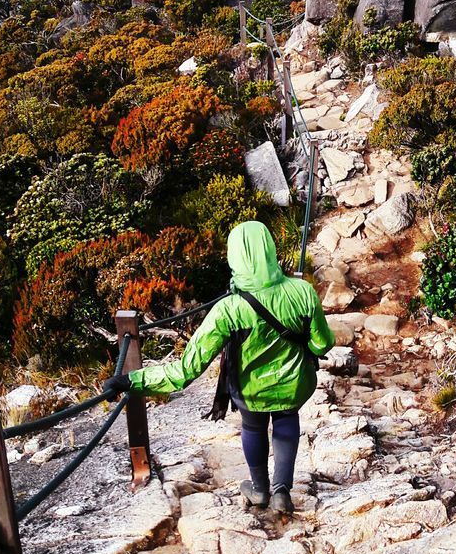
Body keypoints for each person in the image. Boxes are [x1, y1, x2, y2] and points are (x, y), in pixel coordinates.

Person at [103, 220, 335, 515]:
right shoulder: (302, 292)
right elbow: (321, 344)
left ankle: (260, 489)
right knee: (286, 420)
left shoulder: (228, 309)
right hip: (293, 384)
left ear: (234, 256)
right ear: (270, 249)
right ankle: (282, 491)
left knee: (254, 425)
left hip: (250, 391)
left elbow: (185, 371)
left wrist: (128, 380)